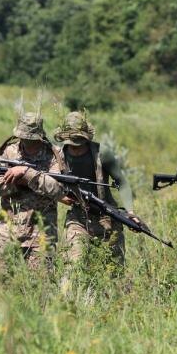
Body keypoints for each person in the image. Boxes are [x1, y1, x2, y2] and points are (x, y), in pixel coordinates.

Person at [53, 111, 135, 267]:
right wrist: (60, 197)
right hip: (77, 219)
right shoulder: (58, 156)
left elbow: (121, 183)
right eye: (71, 142)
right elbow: (47, 182)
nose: (75, 146)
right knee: (73, 266)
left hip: (107, 218)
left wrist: (130, 212)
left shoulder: (102, 154)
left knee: (113, 271)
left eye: (79, 141)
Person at [0, 111, 68, 270]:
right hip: (7, 231)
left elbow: (60, 190)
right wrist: (14, 182)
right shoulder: (6, 151)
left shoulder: (54, 155)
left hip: (41, 233)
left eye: (30, 138)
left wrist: (27, 174)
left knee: (40, 285)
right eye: (23, 137)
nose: (26, 141)